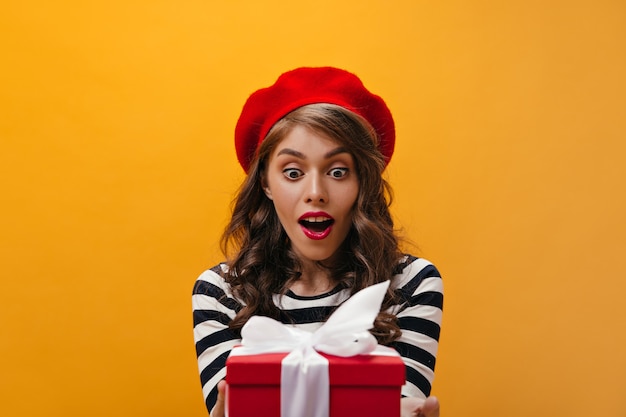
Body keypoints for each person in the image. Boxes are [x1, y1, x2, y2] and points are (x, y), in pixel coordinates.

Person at [192, 67, 443, 417]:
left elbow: (397, 406)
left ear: (362, 182)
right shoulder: (220, 291)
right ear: (265, 183)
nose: (315, 193)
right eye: (293, 172)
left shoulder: (413, 282)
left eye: (338, 171)